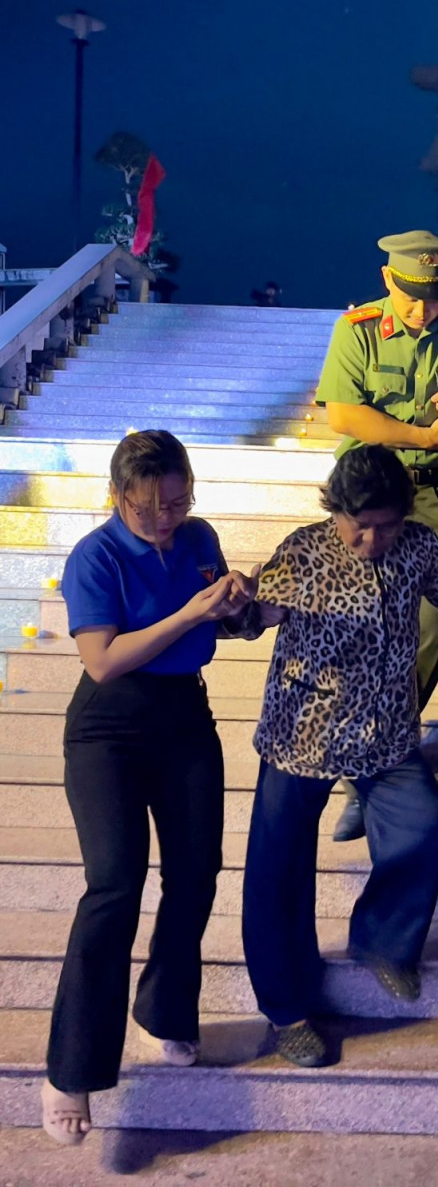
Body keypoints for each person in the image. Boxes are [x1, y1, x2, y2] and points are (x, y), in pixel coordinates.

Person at [240, 444, 438, 1068]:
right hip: (302, 732)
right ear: (335, 509)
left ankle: (382, 938)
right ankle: (287, 1011)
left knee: (424, 825)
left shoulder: (417, 545)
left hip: (384, 731)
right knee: (278, 871)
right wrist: (243, 609)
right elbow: (252, 617)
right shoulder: (305, 551)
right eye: (358, 524)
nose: (371, 538)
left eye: (385, 525)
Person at [41, 430, 258, 1146]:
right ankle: (71, 1071)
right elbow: (102, 660)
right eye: (149, 508)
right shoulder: (95, 555)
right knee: (114, 883)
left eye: (178, 501)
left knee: (196, 871)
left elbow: (220, 629)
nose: (166, 518)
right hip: (109, 726)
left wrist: (240, 608)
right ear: (117, 497)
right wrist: (192, 613)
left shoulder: (199, 538)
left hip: (183, 714)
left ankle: (164, 1010)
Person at [316, 230, 438, 841]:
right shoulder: (358, 330)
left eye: (433, 298)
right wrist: (426, 435)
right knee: (361, 623)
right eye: (411, 297)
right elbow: (343, 414)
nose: (422, 309)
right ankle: (363, 761)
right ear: (388, 280)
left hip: (427, 493)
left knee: (437, 618)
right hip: (366, 491)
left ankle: (379, 745)